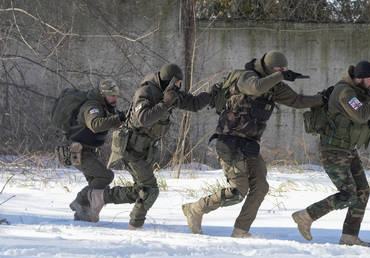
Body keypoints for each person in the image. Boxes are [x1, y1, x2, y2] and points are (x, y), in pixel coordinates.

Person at [182, 51, 325, 238]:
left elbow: (297, 101)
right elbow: (255, 88)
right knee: (237, 191)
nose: (282, 72)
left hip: (249, 146)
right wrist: (280, 76)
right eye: (278, 69)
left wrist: (323, 98)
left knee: (260, 187)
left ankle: (241, 230)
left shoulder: (275, 86)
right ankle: (196, 209)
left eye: (284, 69)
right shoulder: (246, 76)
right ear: (267, 67)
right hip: (230, 142)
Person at [88, 63, 212, 229]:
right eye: (177, 83)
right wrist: (165, 104)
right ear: (169, 81)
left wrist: (213, 94)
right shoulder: (145, 93)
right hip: (131, 148)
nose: (180, 87)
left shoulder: (169, 94)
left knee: (141, 190)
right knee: (150, 190)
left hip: (143, 150)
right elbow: (143, 118)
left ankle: (100, 197)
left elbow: (194, 104)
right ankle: (135, 226)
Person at [292, 61, 370, 247]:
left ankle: (349, 236)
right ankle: (306, 215)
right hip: (333, 150)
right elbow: (361, 115)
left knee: (362, 192)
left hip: (348, 150)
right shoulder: (344, 92)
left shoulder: (360, 92)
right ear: (359, 78)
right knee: (349, 194)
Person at [69, 79, 125, 221]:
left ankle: (82, 214)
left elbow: (116, 120)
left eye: (116, 95)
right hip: (79, 152)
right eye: (112, 95)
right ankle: (80, 201)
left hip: (88, 152)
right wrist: (118, 118)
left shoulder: (105, 107)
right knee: (106, 176)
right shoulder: (92, 107)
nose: (115, 98)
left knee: (96, 184)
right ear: (103, 95)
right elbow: (95, 124)